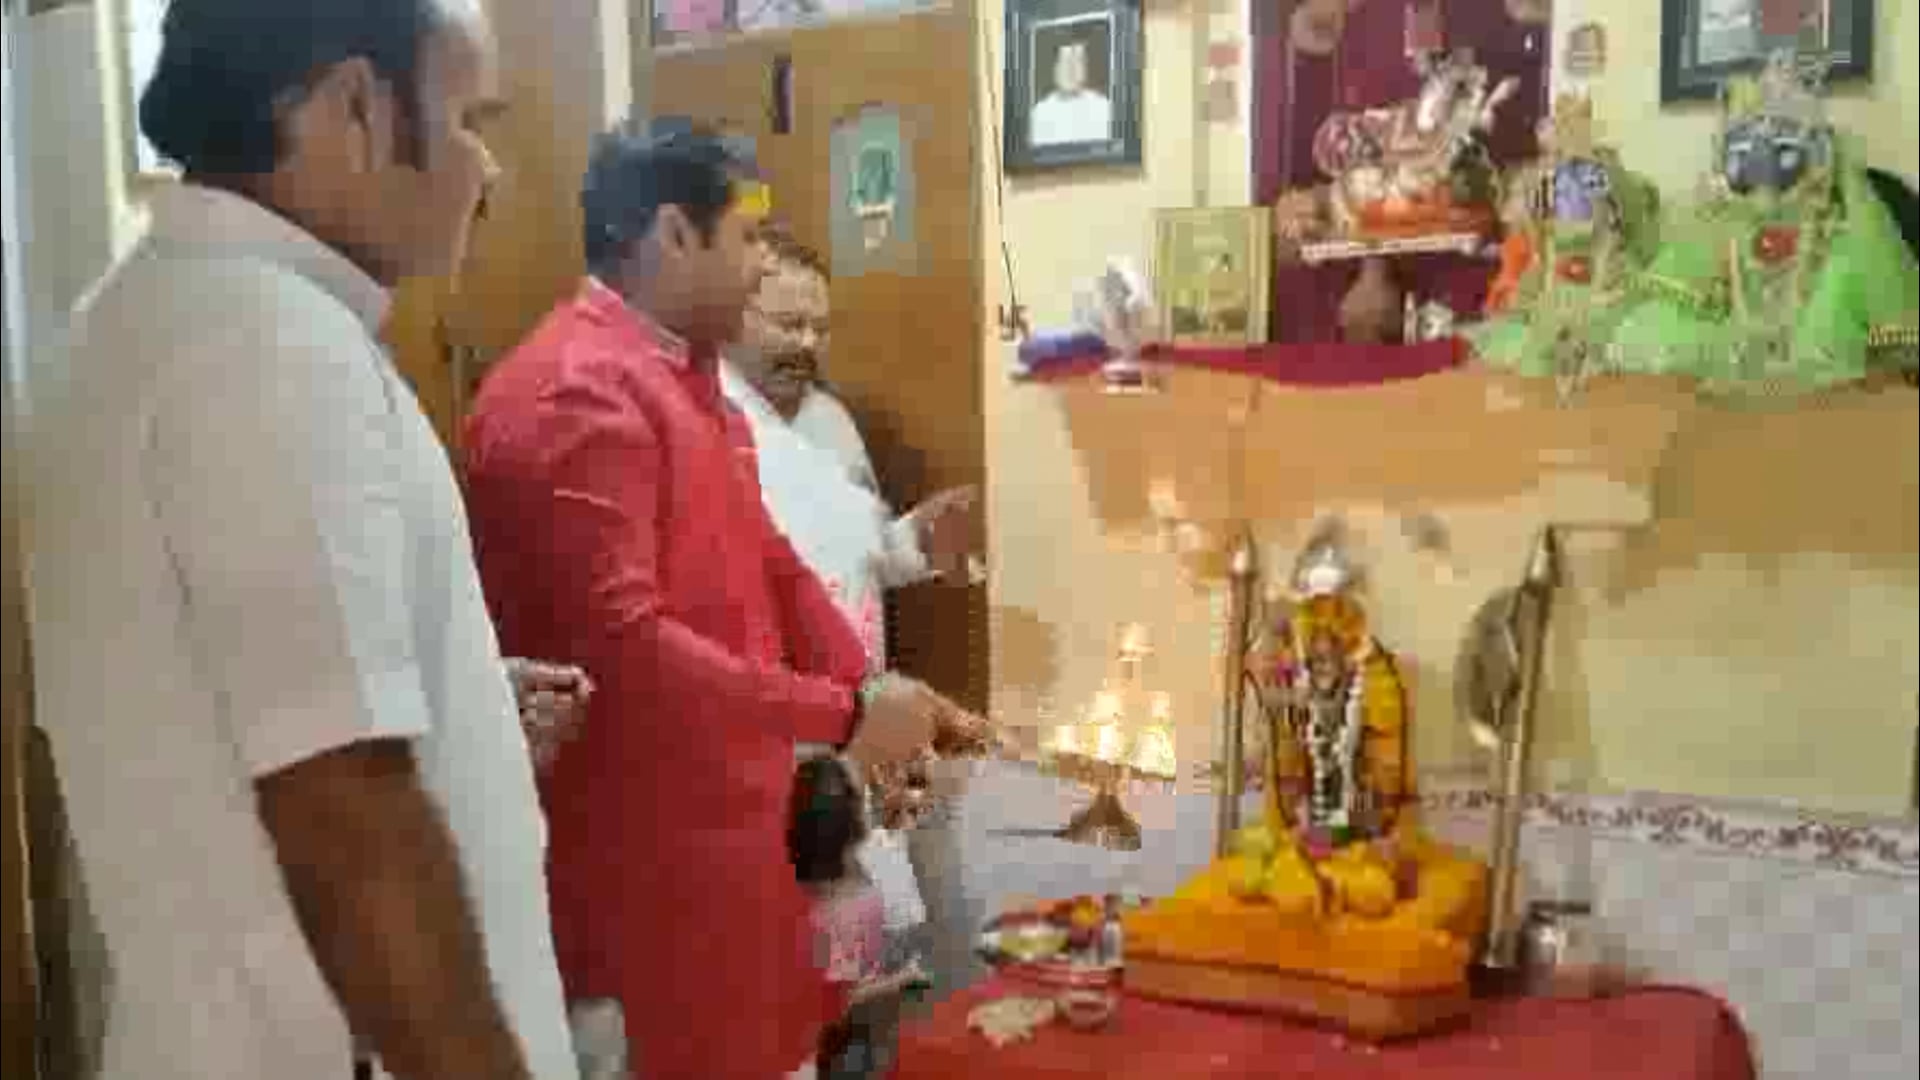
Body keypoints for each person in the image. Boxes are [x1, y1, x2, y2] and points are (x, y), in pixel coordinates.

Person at [19, 2, 576, 1078]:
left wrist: (455, 704)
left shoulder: (145, 319)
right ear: (356, 109)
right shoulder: (270, 350)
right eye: (469, 121)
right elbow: (346, 818)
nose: (487, 171)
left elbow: (243, 703)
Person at [461, 123, 984, 1079]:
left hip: (739, 840)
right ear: (673, 233)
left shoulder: (686, 376)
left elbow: (770, 559)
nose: (759, 268)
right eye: (746, 238)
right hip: (645, 868)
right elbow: (626, 647)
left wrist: (877, 697)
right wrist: (844, 712)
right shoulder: (577, 391)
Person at [721, 225, 985, 998]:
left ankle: (923, 1003)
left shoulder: (828, 421)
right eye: (787, 323)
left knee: (894, 878)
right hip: (779, 715)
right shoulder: (709, 423)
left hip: (860, 697)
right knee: (807, 928)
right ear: (732, 313)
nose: (807, 344)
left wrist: (919, 542)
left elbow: (865, 547)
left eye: (819, 327)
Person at [789, 756, 929, 1079]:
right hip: (825, 1052)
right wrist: (902, 978)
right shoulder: (851, 893)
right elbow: (836, 999)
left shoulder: (787, 879)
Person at [1030, 38, 1113, 147]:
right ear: (1055, 68)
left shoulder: (1104, 108)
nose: (1071, 69)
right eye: (1066, 61)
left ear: (1085, 67)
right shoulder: (1039, 113)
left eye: (1078, 61)